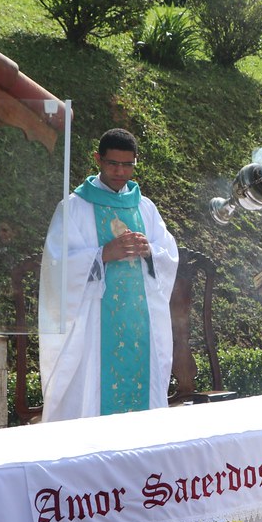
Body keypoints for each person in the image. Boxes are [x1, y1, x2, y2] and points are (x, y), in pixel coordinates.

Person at [38, 128, 178, 421]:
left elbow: (169, 255)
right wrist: (102, 254)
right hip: (94, 325)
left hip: (139, 319)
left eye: (128, 165)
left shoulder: (144, 207)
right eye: (113, 164)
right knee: (92, 397)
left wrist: (149, 250)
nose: (120, 171)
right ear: (97, 160)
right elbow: (56, 266)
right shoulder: (74, 208)